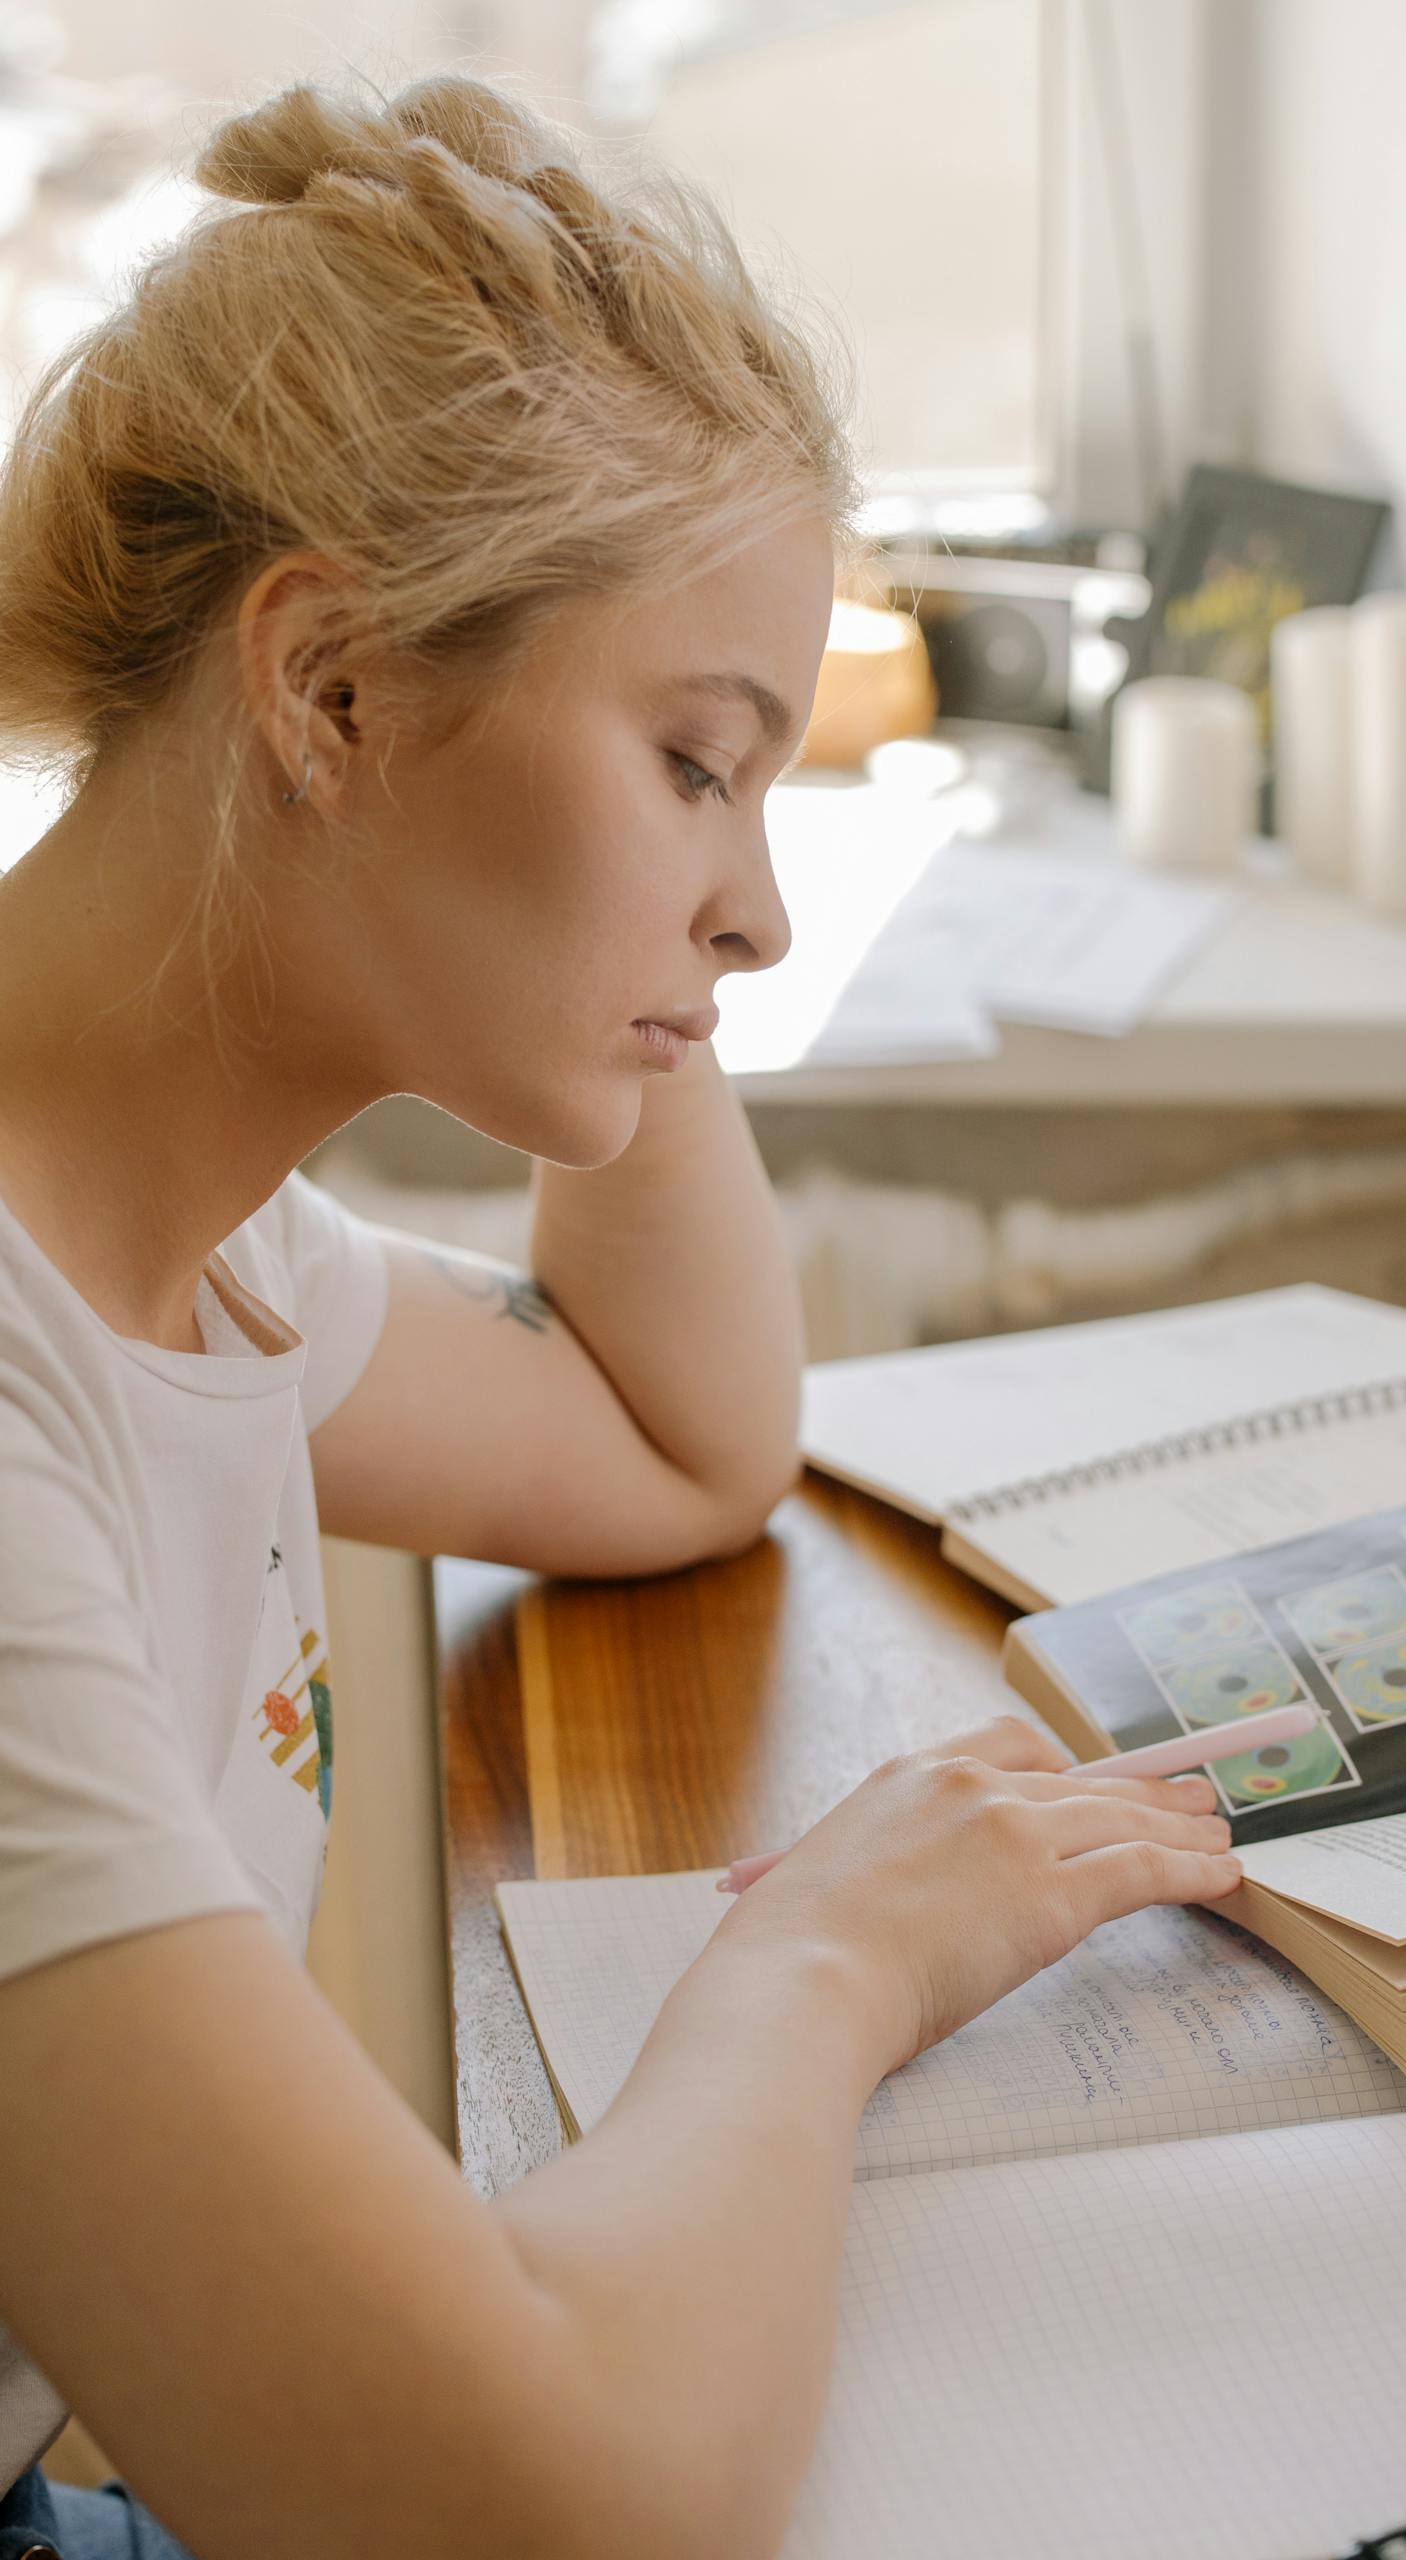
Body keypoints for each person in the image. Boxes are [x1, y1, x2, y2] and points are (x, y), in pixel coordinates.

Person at [0, 76, 1242, 2560]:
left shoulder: (202, 1244)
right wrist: (826, 1961)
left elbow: (680, 1441)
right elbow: (545, 2514)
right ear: (327, 692)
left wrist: (621, 970)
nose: (764, 916)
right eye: (697, 766)